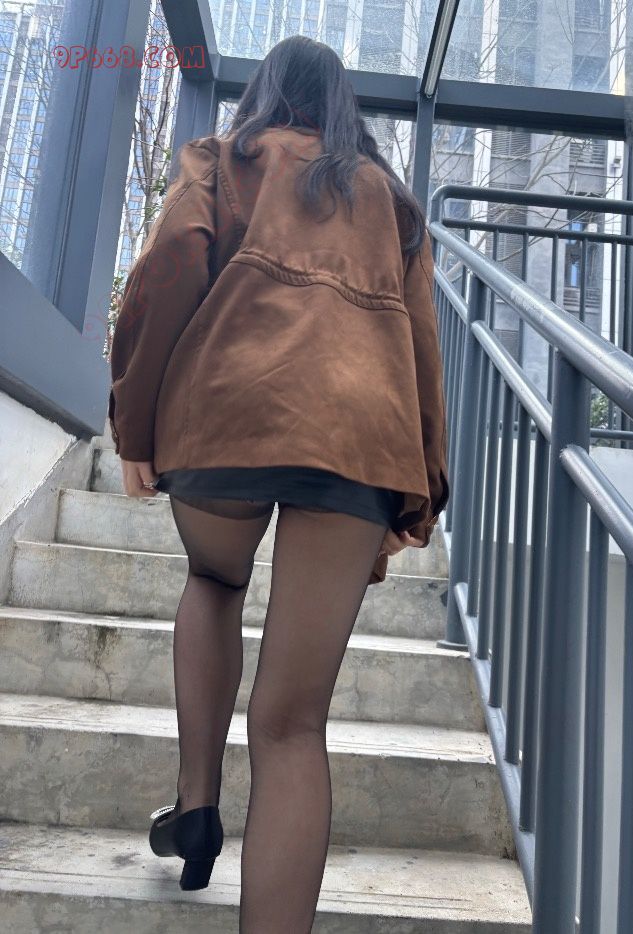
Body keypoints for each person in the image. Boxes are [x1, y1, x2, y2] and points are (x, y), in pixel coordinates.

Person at [108, 33, 449, 933]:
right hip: (358, 438)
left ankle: (196, 805)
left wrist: (135, 421)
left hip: (228, 409)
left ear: (264, 94)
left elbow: (169, 266)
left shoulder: (223, 158)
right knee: (294, 725)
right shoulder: (390, 201)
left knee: (213, 579)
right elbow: (423, 347)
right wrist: (418, 492)